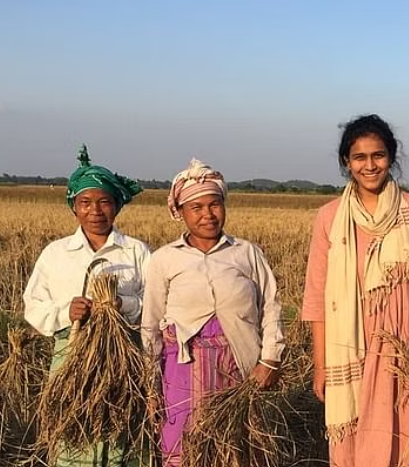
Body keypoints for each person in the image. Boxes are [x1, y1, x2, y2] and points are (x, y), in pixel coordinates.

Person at [301, 114, 409, 467]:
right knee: (357, 439)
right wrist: (321, 365)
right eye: (360, 157)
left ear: (391, 159)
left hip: (405, 343)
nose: (370, 165)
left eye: (378, 156)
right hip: (349, 347)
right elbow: (317, 294)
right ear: (346, 163)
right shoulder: (330, 217)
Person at [141, 159, 285, 467]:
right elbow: (150, 326)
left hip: (238, 369)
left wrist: (269, 359)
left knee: (237, 449)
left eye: (215, 204)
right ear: (180, 213)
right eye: (197, 208)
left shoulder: (246, 253)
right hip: (181, 374)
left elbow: (271, 307)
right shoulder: (165, 259)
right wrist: (150, 386)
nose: (208, 215)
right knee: (185, 448)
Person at [24, 145, 150, 466]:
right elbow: (34, 307)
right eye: (85, 202)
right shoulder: (57, 253)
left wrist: (124, 304)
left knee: (122, 435)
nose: (95, 210)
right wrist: (66, 312)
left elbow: (156, 305)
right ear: (74, 207)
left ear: (117, 207)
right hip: (71, 358)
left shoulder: (136, 252)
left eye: (104, 201)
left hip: (124, 360)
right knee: (73, 435)